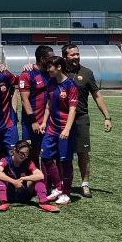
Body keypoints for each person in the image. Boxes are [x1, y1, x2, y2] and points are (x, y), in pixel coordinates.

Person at [62, 43, 113, 197]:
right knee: (63, 153)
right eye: (72, 55)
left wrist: (107, 117)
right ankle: (62, 183)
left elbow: (97, 95)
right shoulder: (58, 71)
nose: (76, 57)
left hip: (81, 118)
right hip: (62, 119)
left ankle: (85, 184)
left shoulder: (87, 73)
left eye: (77, 54)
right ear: (65, 56)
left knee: (83, 152)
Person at [39, 54, 77, 205]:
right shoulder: (51, 83)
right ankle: (59, 187)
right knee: (46, 157)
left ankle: (66, 193)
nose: (48, 70)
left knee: (65, 161)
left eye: (50, 67)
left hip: (64, 129)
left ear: (59, 67)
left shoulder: (70, 85)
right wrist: (43, 122)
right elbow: (48, 104)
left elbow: (73, 110)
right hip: (51, 128)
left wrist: (67, 129)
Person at [0, 140, 59, 212]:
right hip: (9, 194)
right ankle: (3, 202)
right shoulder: (6, 160)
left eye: (26, 154)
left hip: (24, 194)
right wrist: (14, 182)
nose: (24, 156)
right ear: (14, 150)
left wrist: (24, 178)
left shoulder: (28, 162)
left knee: (38, 178)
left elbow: (41, 175)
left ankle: (44, 202)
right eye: (21, 153)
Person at [17, 44, 53, 163]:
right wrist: (33, 121)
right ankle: (32, 180)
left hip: (48, 121)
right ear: (42, 59)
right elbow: (24, 99)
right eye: (50, 58)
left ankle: (47, 180)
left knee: (48, 153)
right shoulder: (27, 74)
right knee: (31, 152)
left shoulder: (51, 73)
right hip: (31, 122)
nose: (52, 60)